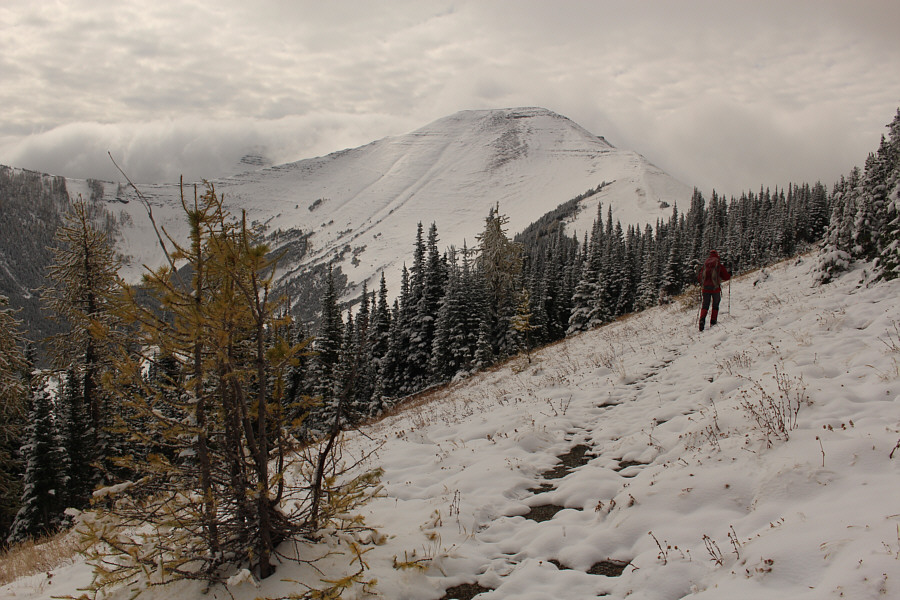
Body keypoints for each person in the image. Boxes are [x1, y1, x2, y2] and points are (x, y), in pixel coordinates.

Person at [697, 250, 731, 331]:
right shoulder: (718, 264)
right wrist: (729, 274)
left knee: (705, 305)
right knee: (715, 305)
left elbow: (699, 277)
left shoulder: (705, 264)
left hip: (705, 289)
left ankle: (702, 320)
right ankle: (713, 321)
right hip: (715, 289)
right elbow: (726, 277)